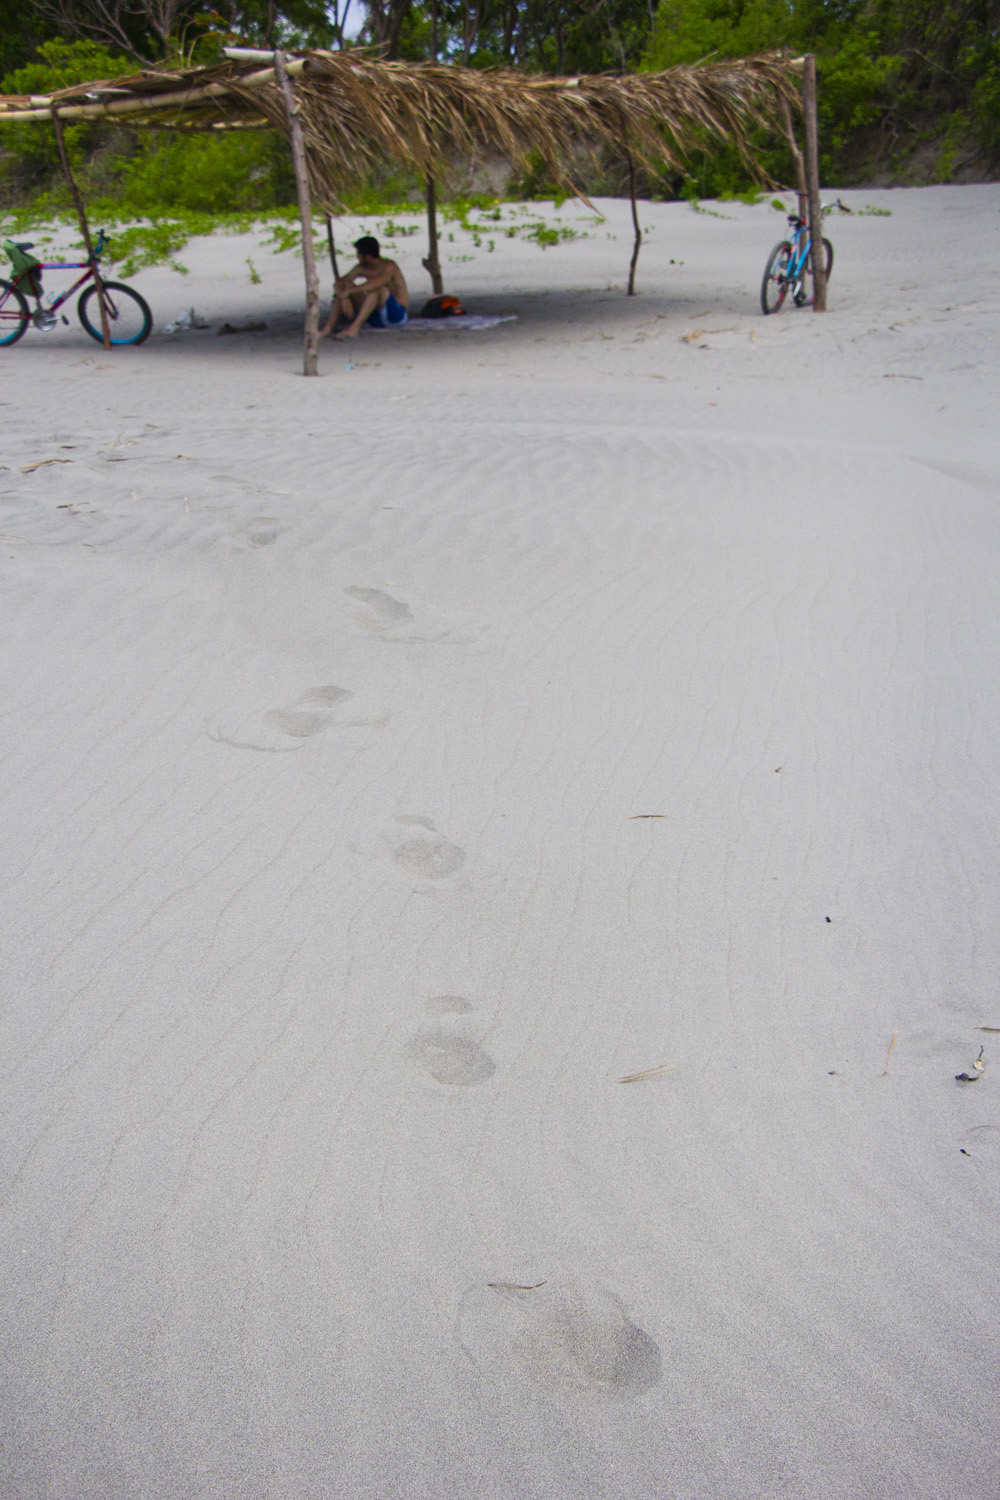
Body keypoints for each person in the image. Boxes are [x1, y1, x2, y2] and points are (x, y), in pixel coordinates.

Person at [319, 235, 409, 339]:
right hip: (375, 318)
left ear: (367, 256)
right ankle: (328, 327)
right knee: (345, 286)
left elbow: (376, 284)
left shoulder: (389, 266)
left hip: (396, 317)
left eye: (358, 254)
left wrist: (349, 292)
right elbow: (339, 283)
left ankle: (354, 329)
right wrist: (344, 298)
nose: (357, 257)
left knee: (379, 290)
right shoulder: (361, 268)